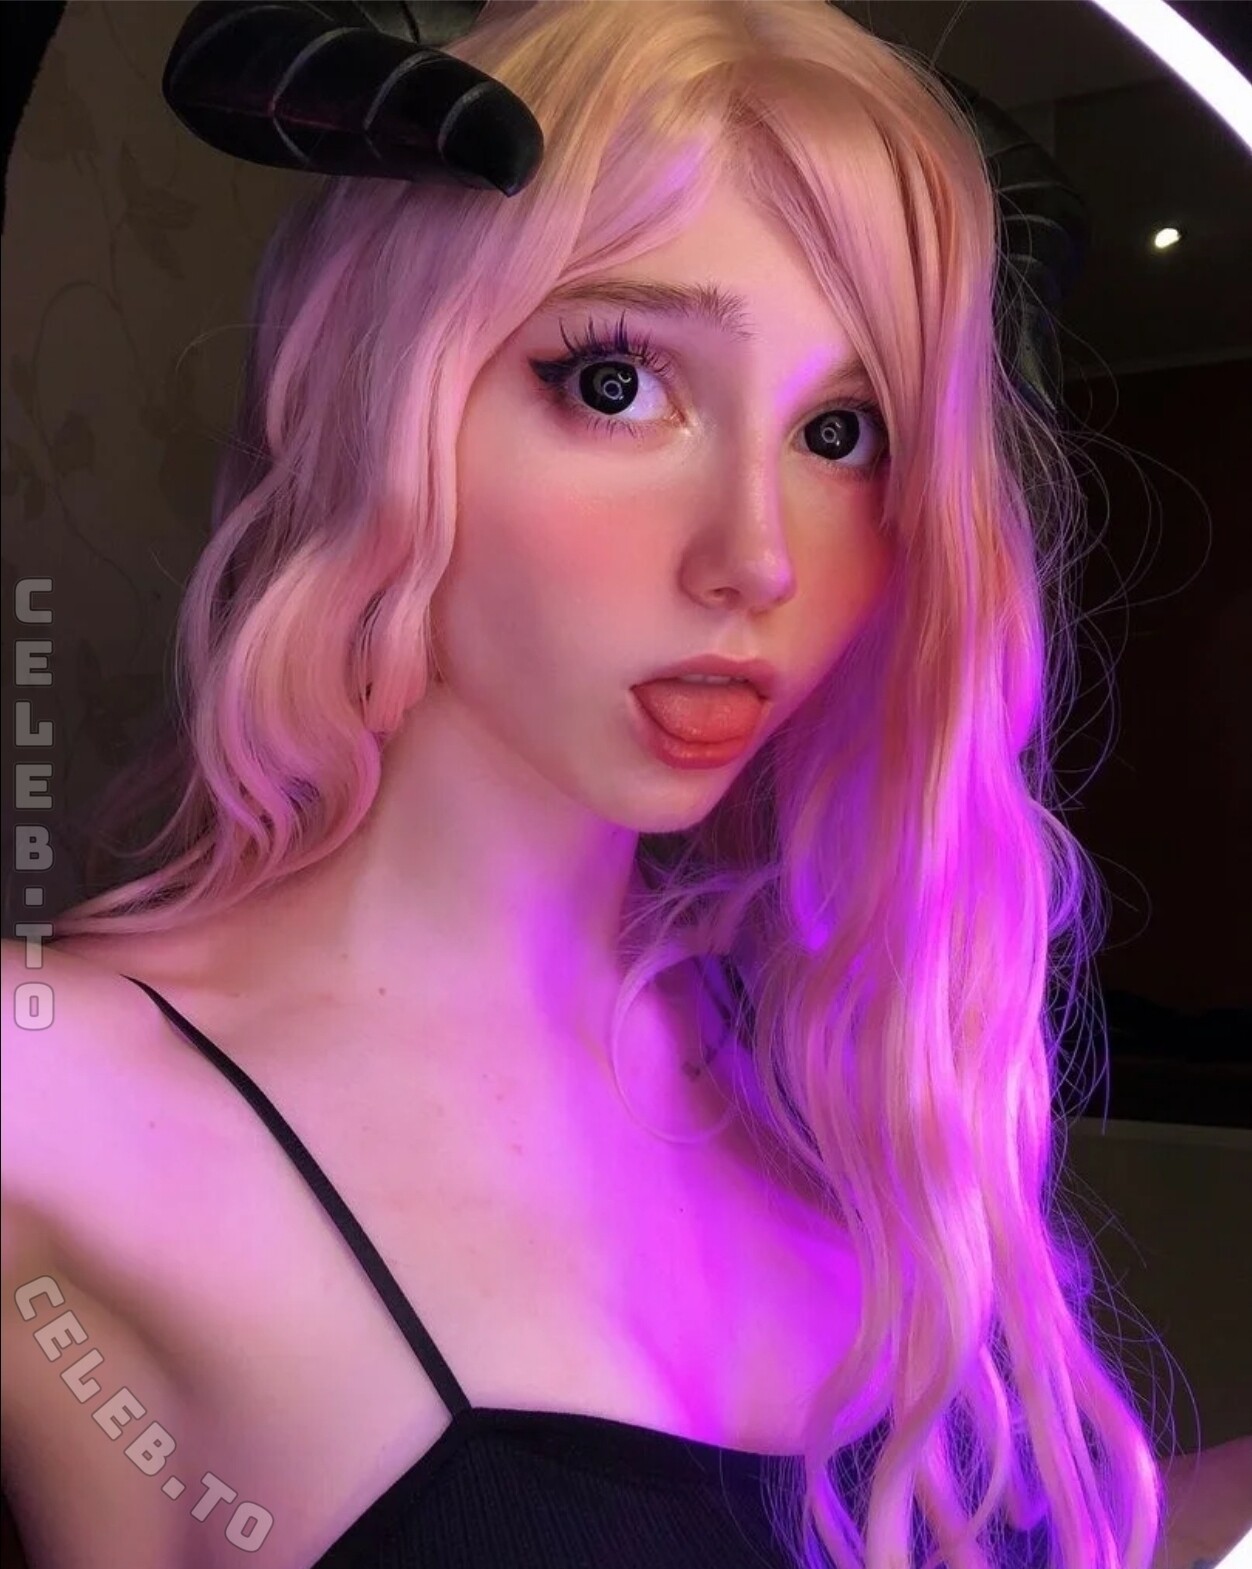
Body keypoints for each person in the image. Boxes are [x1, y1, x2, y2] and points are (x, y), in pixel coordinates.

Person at [2, 1, 1166, 1565]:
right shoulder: (54, 1093)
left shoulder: (816, 1055)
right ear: (378, 392)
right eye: (617, 384)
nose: (758, 555)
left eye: (844, 430)